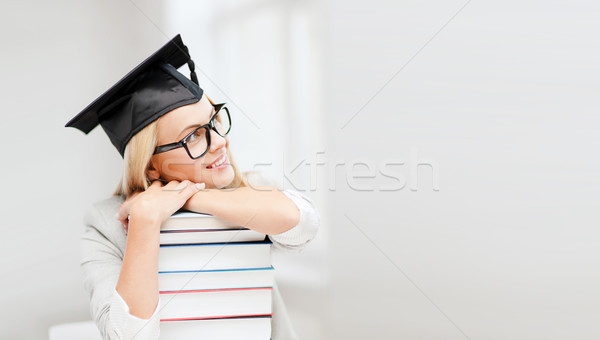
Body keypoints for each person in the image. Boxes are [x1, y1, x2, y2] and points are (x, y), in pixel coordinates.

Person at [65, 35, 320, 340]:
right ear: (150, 165)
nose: (220, 142)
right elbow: (127, 335)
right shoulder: (106, 224)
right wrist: (146, 219)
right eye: (194, 137)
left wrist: (192, 197)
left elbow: (302, 224)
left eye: (214, 122)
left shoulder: (250, 191)